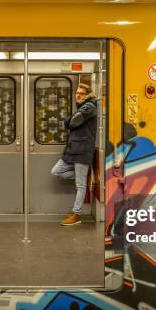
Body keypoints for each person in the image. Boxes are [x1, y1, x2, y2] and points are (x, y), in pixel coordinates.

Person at [51, 83, 97, 226]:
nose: (78, 95)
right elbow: (70, 121)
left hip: (82, 149)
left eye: (81, 93)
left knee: (80, 186)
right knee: (57, 171)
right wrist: (69, 120)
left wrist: (69, 121)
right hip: (74, 149)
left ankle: (76, 214)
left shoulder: (89, 107)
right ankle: (85, 177)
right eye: (77, 92)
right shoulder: (82, 107)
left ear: (88, 95)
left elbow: (71, 123)